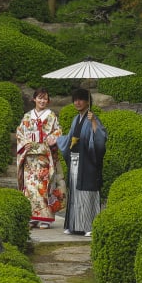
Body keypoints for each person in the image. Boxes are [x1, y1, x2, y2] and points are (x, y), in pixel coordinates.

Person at [56, 87, 107, 236]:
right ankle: (74, 225)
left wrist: (93, 124)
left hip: (88, 161)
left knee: (87, 192)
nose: (77, 102)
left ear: (87, 101)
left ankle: (89, 226)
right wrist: (59, 140)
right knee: (76, 192)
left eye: (81, 99)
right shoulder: (75, 119)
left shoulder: (93, 118)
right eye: (75, 100)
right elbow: (69, 138)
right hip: (75, 159)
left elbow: (100, 140)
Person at [15, 88, 65, 229]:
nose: (42, 101)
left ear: (48, 101)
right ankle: (31, 216)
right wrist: (25, 144)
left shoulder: (51, 116)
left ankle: (45, 218)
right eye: (40, 98)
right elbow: (20, 133)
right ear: (34, 99)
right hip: (30, 157)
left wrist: (51, 139)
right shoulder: (27, 116)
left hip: (44, 156)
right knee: (30, 187)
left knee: (44, 186)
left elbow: (58, 131)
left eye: (45, 99)